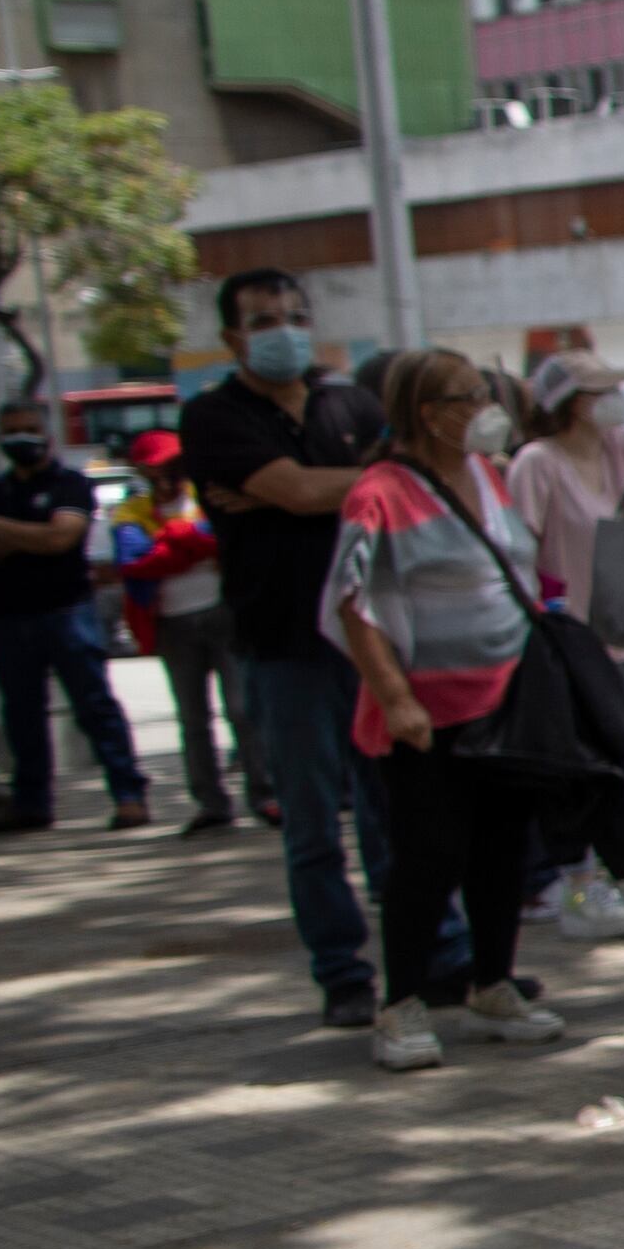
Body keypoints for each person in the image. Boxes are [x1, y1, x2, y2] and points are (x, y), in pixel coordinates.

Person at [183, 274, 440, 1026]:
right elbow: (303, 490)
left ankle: (433, 955)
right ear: (232, 337)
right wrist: (350, 482)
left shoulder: (350, 404)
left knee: (396, 810)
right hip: (284, 642)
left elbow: (401, 484)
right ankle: (342, 973)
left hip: (376, 638)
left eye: (297, 317)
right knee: (312, 822)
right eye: (264, 320)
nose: (285, 330)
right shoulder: (214, 416)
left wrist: (310, 487)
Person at [327, 350, 575, 1075]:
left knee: (500, 852)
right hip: (427, 714)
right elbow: (354, 601)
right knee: (428, 856)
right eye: (472, 396)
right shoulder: (379, 490)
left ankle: (493, 982)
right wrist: (395, 695)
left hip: (506, 700)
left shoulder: (487, 475)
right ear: (430, 414)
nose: (487, 407)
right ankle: (400, 1002)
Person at [506, 352, 624, 943]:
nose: (616, 400)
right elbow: (518, 552)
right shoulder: (536, 464)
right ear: (570, 401)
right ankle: (580, 882)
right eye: (602, 389)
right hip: (569, 642)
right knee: (580, 770)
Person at [0, 395, 152, 834]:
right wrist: (34, 533)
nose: (19, 439)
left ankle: (128, 795)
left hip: (66, 611)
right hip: (8, 617)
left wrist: (0, 529)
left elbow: (60, 539)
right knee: (22, 714)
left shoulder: (70, 485)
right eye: (10, 432)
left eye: (27, 429)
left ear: (47, 434)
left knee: (94, 705)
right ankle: (31, 803)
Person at [112, 432, 248, 837]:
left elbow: (222, 541)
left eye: (169, 464)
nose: (163, 474)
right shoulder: (130, 512)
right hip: (171, 623)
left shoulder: (210, 498)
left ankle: (265, 793)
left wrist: (173, 540)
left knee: (243, 709)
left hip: (224, 614)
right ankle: (211, 803)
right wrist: (187, 542)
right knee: (193, 719)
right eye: (153, 467)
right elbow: (136, 562)